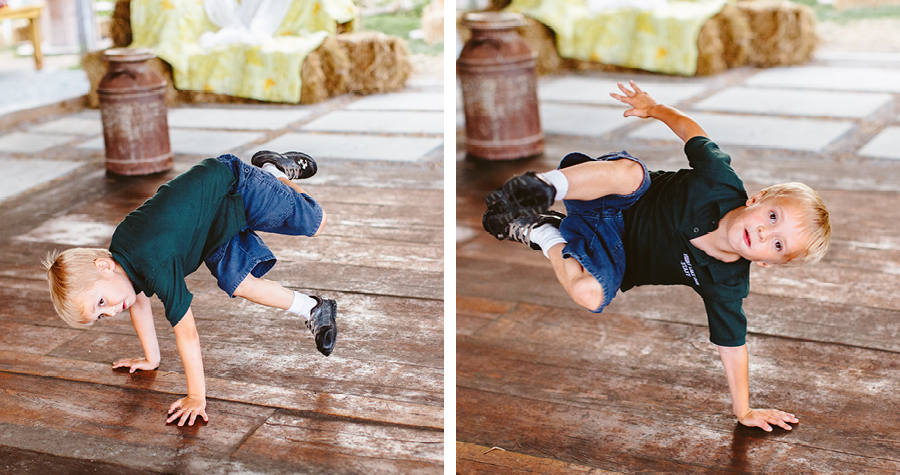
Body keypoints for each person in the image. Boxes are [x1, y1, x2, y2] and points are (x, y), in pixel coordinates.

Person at [483, 81, 831, 432]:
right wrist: (653, 108)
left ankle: (543, 230)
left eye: (776, 245)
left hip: (609, 250)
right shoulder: (719, 182)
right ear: (757, 198)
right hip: (611, 196)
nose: (763, 233)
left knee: (590, 295)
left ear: (766, 263)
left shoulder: (726, 282)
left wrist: (745, 411)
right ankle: (541, 188)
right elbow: (692, 132)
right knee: (632, 172)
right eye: (773, 218)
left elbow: (733, 347)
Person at [43, 150, 337, 427]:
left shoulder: (154, 259)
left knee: (317, 221)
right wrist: (151, 358)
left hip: (233, 185)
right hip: (210, 227)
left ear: (103, 267)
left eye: (102, 302)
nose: (111, 311)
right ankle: (313, 307)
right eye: (101, 315)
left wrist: (196, 396)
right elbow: (137, 300)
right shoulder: (122, 259)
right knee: (241, 284)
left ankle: (273, 173)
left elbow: (187, 332)